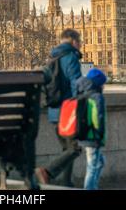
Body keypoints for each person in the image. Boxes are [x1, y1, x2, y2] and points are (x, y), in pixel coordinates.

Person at [36, 28, 83, 187]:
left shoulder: (52, 57)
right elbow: (77, 84)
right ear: (73, 41)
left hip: (54, 111)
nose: (81, 45)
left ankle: (66, 184)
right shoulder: (70, 57)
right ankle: (47, 171)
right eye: (80, 42)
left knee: (67, 148)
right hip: (67, 111)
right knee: (74, 149)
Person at [77, 68, 107, 190]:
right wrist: (99, 134)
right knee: (92, 166)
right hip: (93, 136)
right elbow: (98, 117)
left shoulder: (82, 92)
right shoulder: (97, 97)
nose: (104, 86)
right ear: (98, 84)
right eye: (103, 83)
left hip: (85, 135)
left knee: (99, 162)